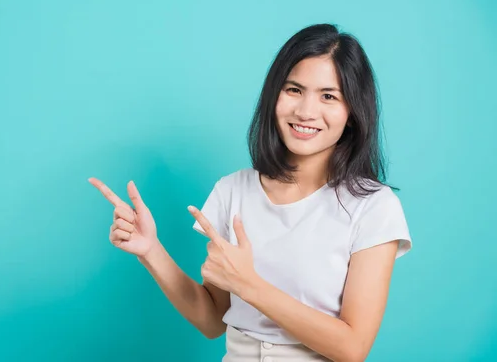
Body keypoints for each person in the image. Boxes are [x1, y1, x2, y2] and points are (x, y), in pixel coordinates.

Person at [89, 23, 412, 362]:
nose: (305, 111)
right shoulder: (233, 191)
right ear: (274, 95)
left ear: (352, 113)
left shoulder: (373, 207)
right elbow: (213, 319)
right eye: (294, 90)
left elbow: (352, 348)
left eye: (328, 96)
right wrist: (150, 250)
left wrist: (249, 285)